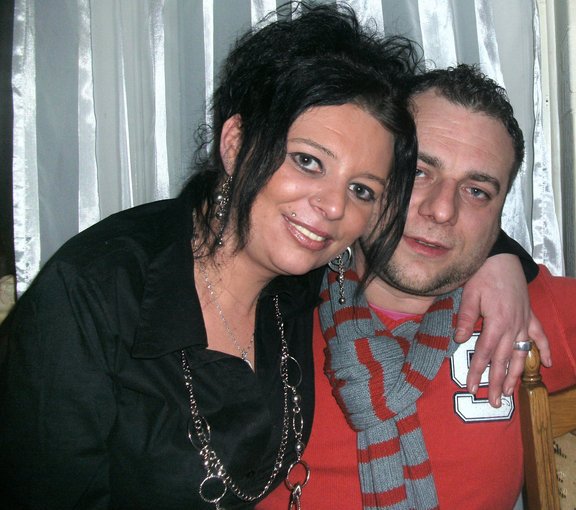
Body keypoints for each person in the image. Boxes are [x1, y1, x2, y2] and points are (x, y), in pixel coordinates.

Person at [0, 4, 546, 509]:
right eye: (308, 161)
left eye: (362, 189)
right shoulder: (92, 293)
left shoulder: (303, 282)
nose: (333, 206)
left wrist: (501, 261)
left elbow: (443, 230)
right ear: (236, 143)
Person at [260, 65, 576, 510]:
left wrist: (503, 255)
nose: (442, 210)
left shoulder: (528, 313)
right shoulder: (271, 310)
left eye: (477, 191)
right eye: (419, 172)